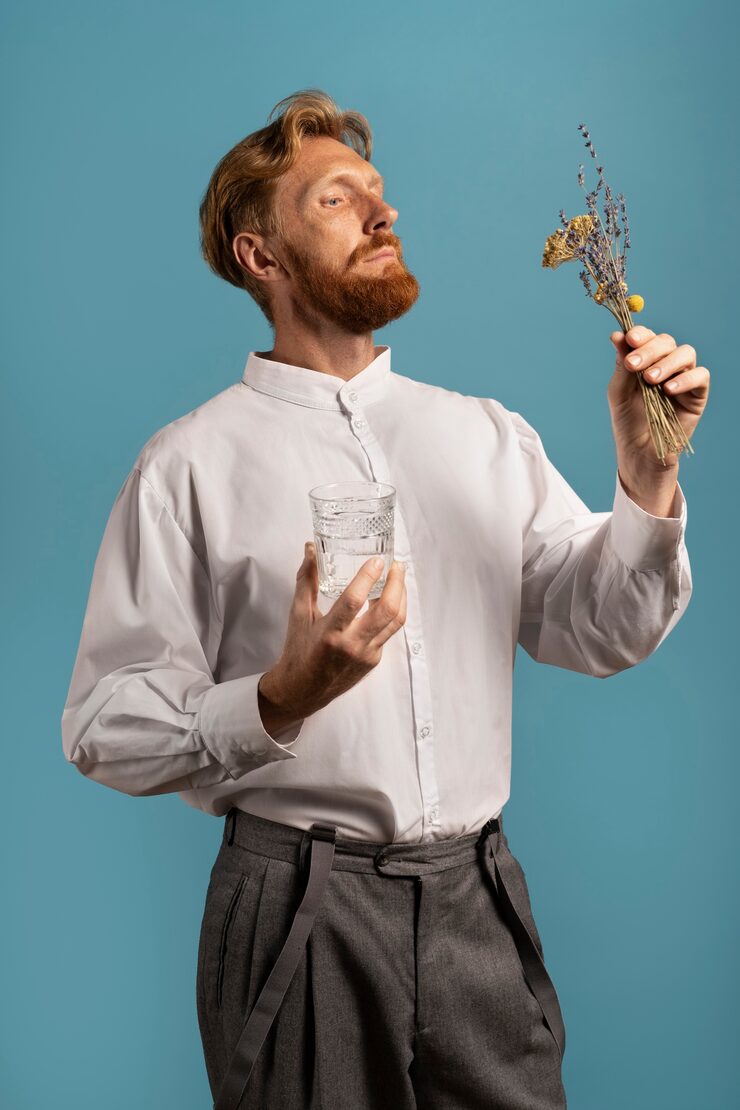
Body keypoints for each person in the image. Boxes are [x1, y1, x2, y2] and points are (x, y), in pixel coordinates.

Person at [61, 88, 708, 1109]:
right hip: (296, 912)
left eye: (378, 192)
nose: (382, 212)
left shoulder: (484, 436)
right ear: (260, 257)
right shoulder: (186, 466)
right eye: (335, 199)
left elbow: (605, 631)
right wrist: (275, 699)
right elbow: (102, 726)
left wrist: (647, 475)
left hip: (477, 899)